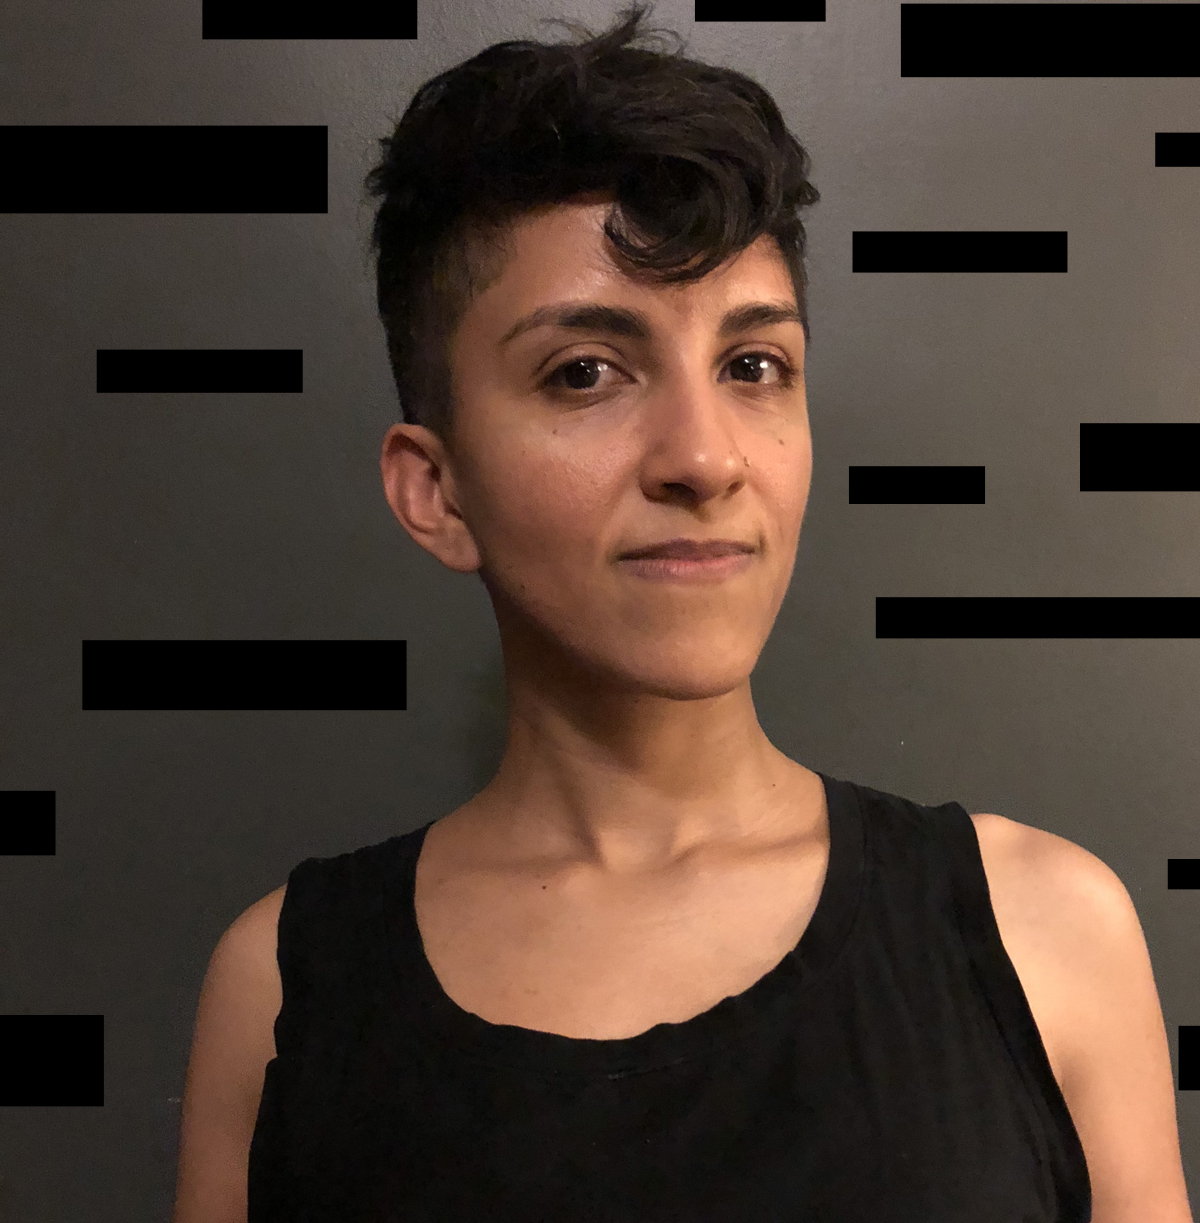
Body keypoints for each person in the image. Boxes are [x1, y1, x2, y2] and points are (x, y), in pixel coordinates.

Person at [171, 5, 1192, 1220]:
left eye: (754, 365)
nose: (705, 458)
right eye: (585, 372)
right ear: (435, 490)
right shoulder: (287, 986)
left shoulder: (1044, 932)